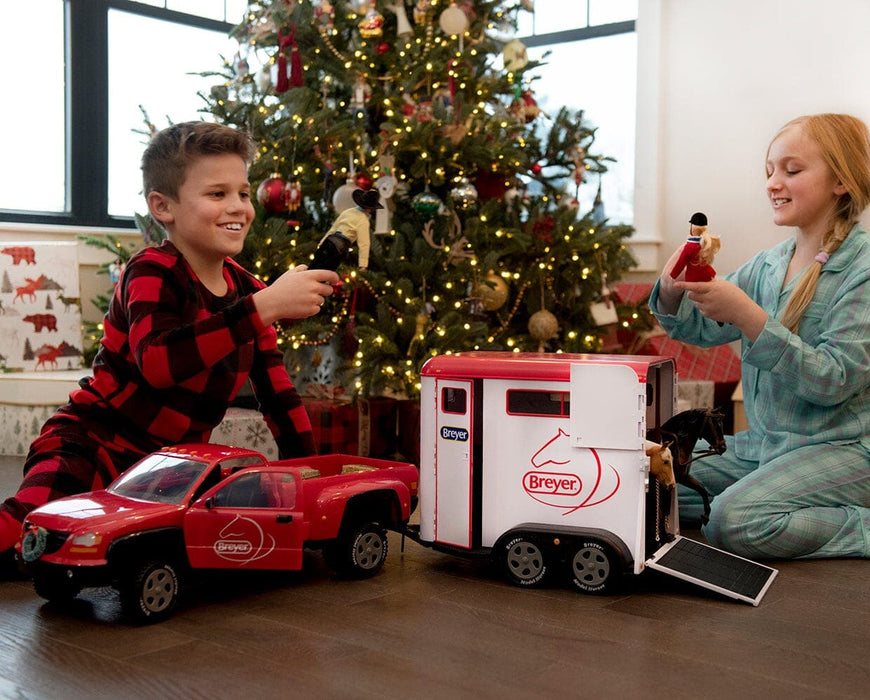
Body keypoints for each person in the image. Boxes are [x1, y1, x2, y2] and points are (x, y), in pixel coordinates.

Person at [0, 121, 340, 566]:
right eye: (217, 194)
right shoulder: (152, 272)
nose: (238, 206)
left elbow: (278, 396)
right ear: (162, 206)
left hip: (169, 473)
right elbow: (159, 363)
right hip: (94, 442)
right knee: (30, 533)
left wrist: (307, 477)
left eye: (242, 191)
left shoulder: (250, 294)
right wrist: (262, 307)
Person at [649, 113, 870, 560]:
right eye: (769, 170)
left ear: (841, 181)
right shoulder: (770, 263)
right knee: (653, 488)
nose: (773, 182)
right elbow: (704, 327)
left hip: (844, 449)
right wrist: (673, 291)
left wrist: (751, 319)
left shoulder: (861, 272)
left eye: (791, 170)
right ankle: (774, 496)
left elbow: (834, 381)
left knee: (735, 521)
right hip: (769, 447)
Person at [310, 188, 382, 271]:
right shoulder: (363, 220)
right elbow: (364, 243)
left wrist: (322, 241)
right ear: (370, 208)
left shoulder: (348, 211)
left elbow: (334, 228)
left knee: (316, 263)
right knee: (328, 270)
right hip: (341, 245)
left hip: (331, 239)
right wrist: (363, 264)